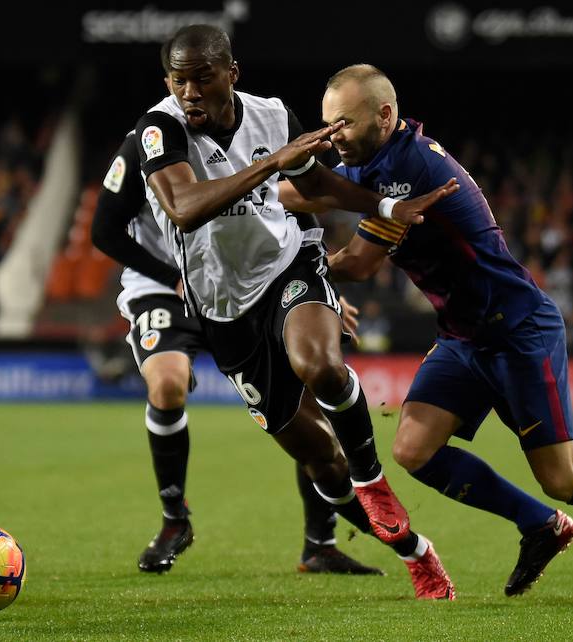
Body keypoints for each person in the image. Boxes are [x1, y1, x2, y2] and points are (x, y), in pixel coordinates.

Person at [282, 63, 573, 606]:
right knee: (414, 449)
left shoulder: (408, 170)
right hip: (464, 337)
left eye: (342, 124)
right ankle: (540, 526)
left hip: (517, 332)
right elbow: (306, 194)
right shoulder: (373, 160)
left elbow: (357, 263)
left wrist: (283, 269)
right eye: (327, 125)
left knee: (564, 478)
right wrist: (239, 197)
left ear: (385, 115)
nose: (332, 137)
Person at [133, 24, 460, 599]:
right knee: (322, 462)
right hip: (222, 310)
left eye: (202, 79)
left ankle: (375, 481)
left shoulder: (270, 115)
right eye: (179, 80)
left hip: (287, 263)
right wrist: (273, 163)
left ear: (230, 75)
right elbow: (183, 209)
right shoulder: (159, 130)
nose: (189, 92)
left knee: (320, 364)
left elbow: (318, 188)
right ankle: (415, 550)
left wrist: (386, 204)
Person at [91, 129, 382, 576]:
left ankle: (320, 544)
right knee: (167, 384)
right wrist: (169, 276)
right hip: (166, 287)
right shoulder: (143, 143)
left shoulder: (246, 135)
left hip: (247, 284)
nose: (194, 97)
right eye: (182, 82)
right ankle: (174, 520)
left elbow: (282, 211)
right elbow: (105, 230)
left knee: (306, 402)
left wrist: (317, 286)